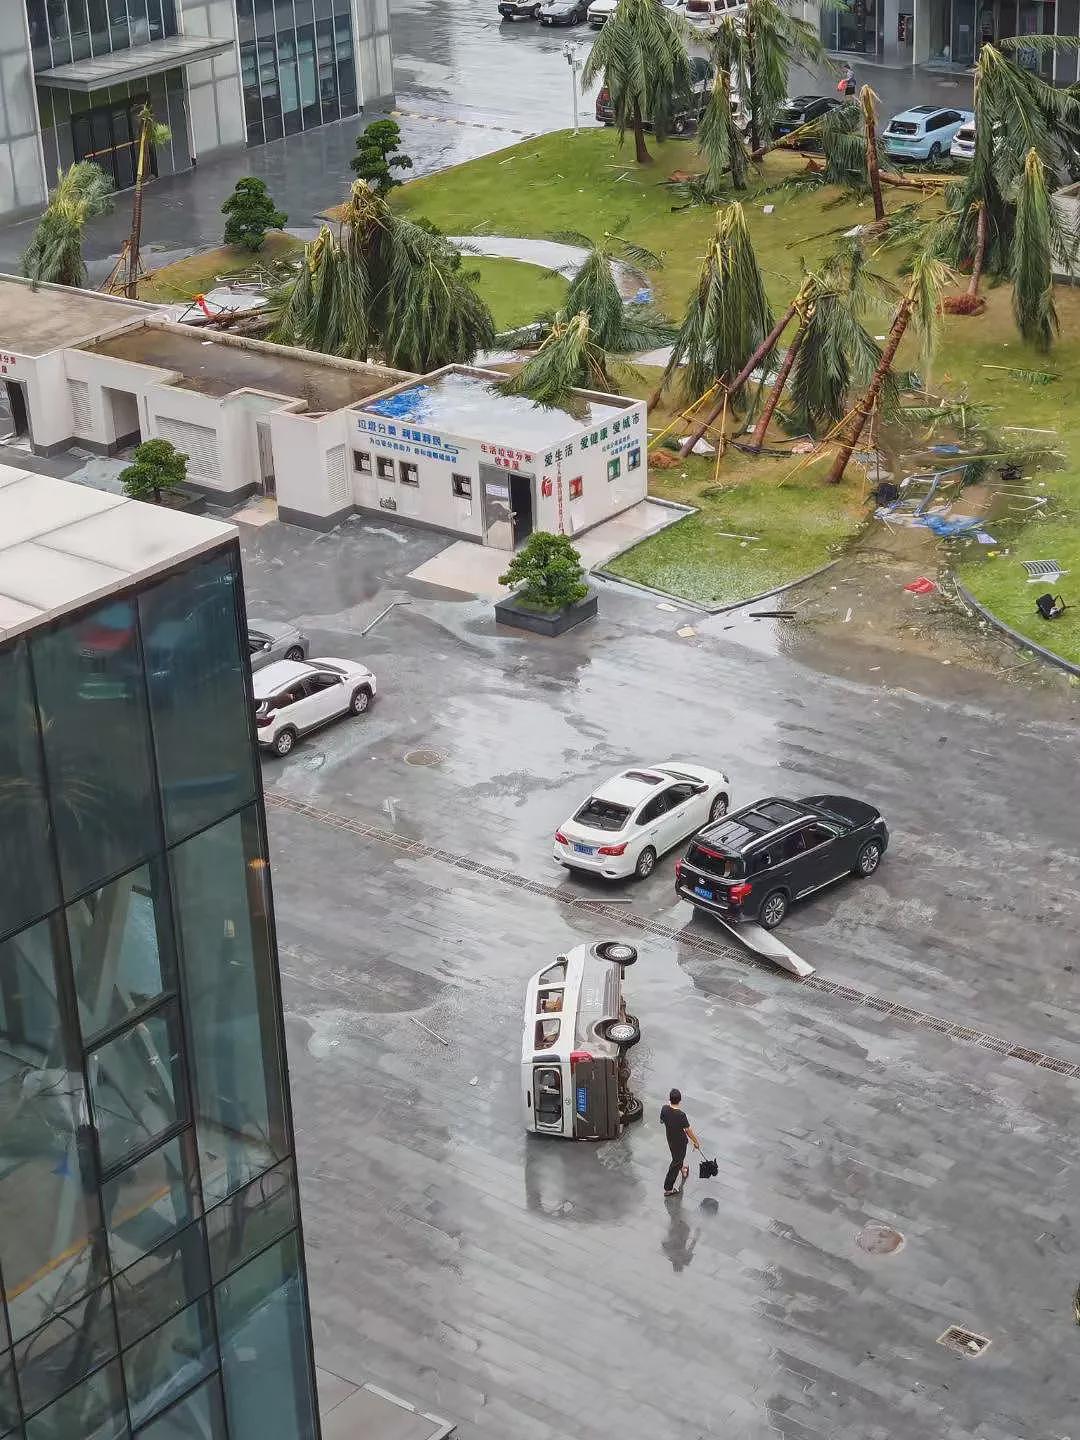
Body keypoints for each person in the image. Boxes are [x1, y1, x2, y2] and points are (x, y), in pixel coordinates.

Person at [660, 1088, 700, 1197]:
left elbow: (662, 1120)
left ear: (670, 1099)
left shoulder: (664, 1109)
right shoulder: (681, 1115)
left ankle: (682, 1169)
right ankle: (668, 1188)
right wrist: (696, 1142)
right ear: (680, 1100)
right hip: (680, 1142)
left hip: (670, 1139)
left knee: (677, 1157)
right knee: (676, 1162)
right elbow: (688, 1130)